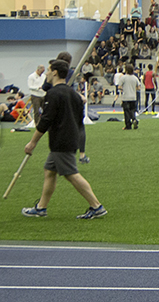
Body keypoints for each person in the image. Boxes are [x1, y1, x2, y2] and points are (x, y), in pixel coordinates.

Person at [21, 60, 106, 220]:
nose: (46, 73)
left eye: (49, 70)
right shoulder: (74, 95)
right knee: (50, 171)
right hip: (67, 138)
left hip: (62, 140)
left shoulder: (53, 94)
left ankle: (96, 206)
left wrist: (32, 142)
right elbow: (78, 118)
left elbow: (45, 121)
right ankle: (41, 208)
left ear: (54, 72)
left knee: (71, 174)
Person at [118, 65, 142, 131]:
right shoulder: (135, 78)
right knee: (132, 110)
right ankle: (134, 119)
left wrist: (123, 88)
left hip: (126, 97)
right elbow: (138, 87)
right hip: (133, 97)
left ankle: (128, 125)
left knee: (126, 112)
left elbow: (119, 86)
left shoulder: (123, 77)